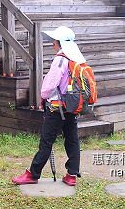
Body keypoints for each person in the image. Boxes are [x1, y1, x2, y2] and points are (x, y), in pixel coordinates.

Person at [12, 25, 83, 187]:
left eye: (54, 41)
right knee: (72, 140)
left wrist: (43, 96)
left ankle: (33, 174)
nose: (52, 43)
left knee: (46, 141)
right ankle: (72, 174)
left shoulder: (60, 59)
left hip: (56, 107)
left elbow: (50, 85)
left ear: (60, 43)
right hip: (72, 105)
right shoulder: (77, 57)